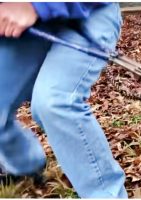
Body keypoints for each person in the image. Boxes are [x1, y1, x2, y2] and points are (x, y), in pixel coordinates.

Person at [0, 2, 127, 198]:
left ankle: (106, 194)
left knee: (54, 102)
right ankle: (26, 166)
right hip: (22, 23)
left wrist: (37, 6)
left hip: (88, 12)